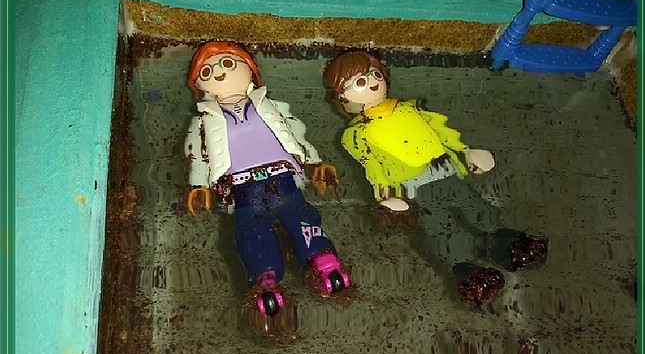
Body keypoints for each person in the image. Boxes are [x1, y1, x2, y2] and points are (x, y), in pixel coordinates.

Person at [323, 50, 547, 305]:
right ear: (343, 97)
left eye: (374, 74)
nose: (372, 83)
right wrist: (386, 195)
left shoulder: (411, 108)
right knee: (439, 225)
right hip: (415, 185)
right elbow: (373, 166)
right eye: (360, 82)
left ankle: (506, 241)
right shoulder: (356, 135)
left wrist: (466, 151)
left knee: (473, 203)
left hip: (444, 169)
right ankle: (465, 269)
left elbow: (441, 130)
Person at [185, 41, 350, 317]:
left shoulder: (272, 106)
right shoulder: (203, 120)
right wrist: (198, 184)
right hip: (242, 189)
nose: (219, 73)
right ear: (198, 85)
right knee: (252, 231)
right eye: (206, 71)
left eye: (228, 64)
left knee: (301, 215)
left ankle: (324, 261)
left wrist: (313, 162)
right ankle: (265, 278)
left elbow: (295, 134)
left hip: (282, 178)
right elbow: (197, 154)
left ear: (250, 69)